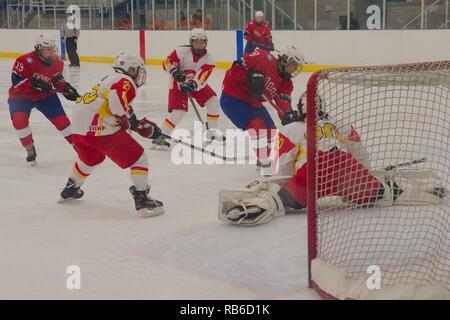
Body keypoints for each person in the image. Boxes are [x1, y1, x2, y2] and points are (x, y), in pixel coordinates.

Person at [218, 93, 444, 226]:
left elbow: (283, 166)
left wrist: (284, 188)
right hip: (347, 170)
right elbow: (359, 152)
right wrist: (365, 174)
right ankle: (423, 190)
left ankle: (254, 208)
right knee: (382, 192)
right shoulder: (341, 123)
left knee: (280, 199)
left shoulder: (291, 128)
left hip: (315, 170)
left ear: (300, 109)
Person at [58, 52, 164, 217]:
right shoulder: (125, 80)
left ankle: (71, 187)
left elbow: (119, 107)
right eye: (137, 70)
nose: (138, 74)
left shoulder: (110, 78)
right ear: (129, 69)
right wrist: (133, 123)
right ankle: (142, 199)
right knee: (139, 158)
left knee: (90, 159)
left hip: (79, 128)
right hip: (97, 127)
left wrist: (138, 123)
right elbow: (117, 103)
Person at [220, 45, 304, 175]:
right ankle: (266, 166)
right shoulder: (263, 57)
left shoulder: (286, 83)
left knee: (272, 133)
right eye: (294, 65)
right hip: (233, 98)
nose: (295, 69)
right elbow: (235, 67)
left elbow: (283, 102)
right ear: (285, 60)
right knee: (258, 129)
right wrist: (250, 77)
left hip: (253, 103)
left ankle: (263, 161)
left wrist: (288, 115)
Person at [8, 33, 80, 166]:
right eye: (48, 49)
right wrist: (34, 84)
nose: (52, 52)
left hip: (44, 97)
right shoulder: (24, 60)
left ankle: (80, 148)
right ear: (39, 49)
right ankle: (29, 147)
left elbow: (56, 80)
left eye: (53, 49)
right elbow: (16, 84)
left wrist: (65, 88)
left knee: (63, 122)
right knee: (19, 122)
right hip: (21, 97)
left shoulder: (57, 62)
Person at [151, 28, 223, 150]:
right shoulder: (181, 51)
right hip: (177, 82)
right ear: (191, 42)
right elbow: (167, 63)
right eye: (196, 42)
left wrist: (191, 84)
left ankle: (211, 132)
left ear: (205, 43)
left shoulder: (209, 60)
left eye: (201, 42)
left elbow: (202, 77)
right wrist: (174, 72)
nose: (199, 44)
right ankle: (161, 136)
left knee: (213, 101)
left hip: (195, 83)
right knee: (179, 112)